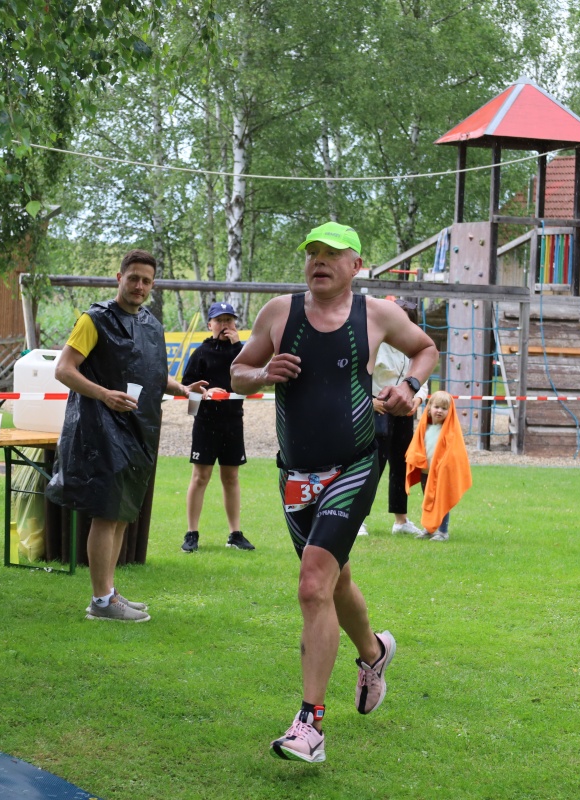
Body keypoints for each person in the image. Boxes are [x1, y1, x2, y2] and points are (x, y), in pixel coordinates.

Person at [231, 221, 437, 763]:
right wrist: (264, 373)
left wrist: (409, 386)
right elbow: (237, 372)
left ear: (356, 265)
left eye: (332, 253)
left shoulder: (378, 314)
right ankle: (373, 652)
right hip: (295, 473)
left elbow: (425, 349)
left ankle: (310, 726)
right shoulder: (279, 313)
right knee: (334, 580)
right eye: (312, 253)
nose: (319, 261)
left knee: (311, 585)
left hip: (354, 465)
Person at [47, 249, 205, 623]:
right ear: (119, 278)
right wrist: (104, 394)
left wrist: (181, 388)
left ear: (153, 285)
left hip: (139, 430)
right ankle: (101, 601)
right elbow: (64, 369)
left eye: (146, 281)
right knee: (106, 514)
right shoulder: (94, 320)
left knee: (119, 515)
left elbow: (152, 374)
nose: (139, 286)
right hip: (99, 429)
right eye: (133, 278)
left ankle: (109, 592)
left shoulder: (151, 324)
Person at [180, 301, 253, 553]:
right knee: (200, 477)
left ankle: (235, 534)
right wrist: (206, 392)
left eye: (229, 320)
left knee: (231, 477)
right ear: (209, 324)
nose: (225, 325)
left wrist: (237, 346)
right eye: (219, 320)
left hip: (233, 421)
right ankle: (191, 533)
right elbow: (187, 387)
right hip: (206, 423)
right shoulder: (201, 353)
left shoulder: (242, 352)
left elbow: (251, 376)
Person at [360, 296, 429, 538]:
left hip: (403, 411)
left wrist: (417, 399)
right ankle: (358, 520)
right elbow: (358, 375)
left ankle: (401, 520)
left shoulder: (414, 346)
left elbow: (421, 377)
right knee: (373, 466)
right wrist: (369, 401)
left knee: (402, 464)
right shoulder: (375, 341)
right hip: (377, 410)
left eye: (407, 320)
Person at [405, 390, 472, 542]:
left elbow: (454, 454)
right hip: (426, 472)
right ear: (429, 408)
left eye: (444, 408)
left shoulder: (450, 432)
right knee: (428, 500)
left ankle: (442, 532)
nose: (439, 411)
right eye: (436, 407)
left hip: (442, 474)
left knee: (441, 501)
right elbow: (417, 446)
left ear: (450, 411)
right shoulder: (425, 428)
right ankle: (429, 528)